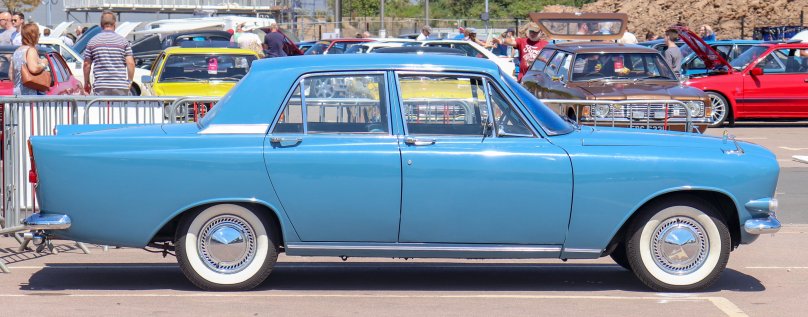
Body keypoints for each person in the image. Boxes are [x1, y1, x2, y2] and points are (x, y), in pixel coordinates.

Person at [83, 11, 135, 96]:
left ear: (101, 25)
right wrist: (129, 81)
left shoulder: (92, 42)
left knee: (101, 105)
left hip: (101, 86)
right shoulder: (123, 41)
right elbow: (130, 63)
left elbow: (86, 64)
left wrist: (86, 82)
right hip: (120, 86)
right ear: (114, 24)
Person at [9, 23, 46, 95]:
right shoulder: (30, 50)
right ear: (33, 35)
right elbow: (34, 69)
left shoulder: (17, 51)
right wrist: (43, 63)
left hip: (18, 92)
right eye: (38, 34)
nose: (39, 37)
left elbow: (11, 74)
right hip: (30, 93)